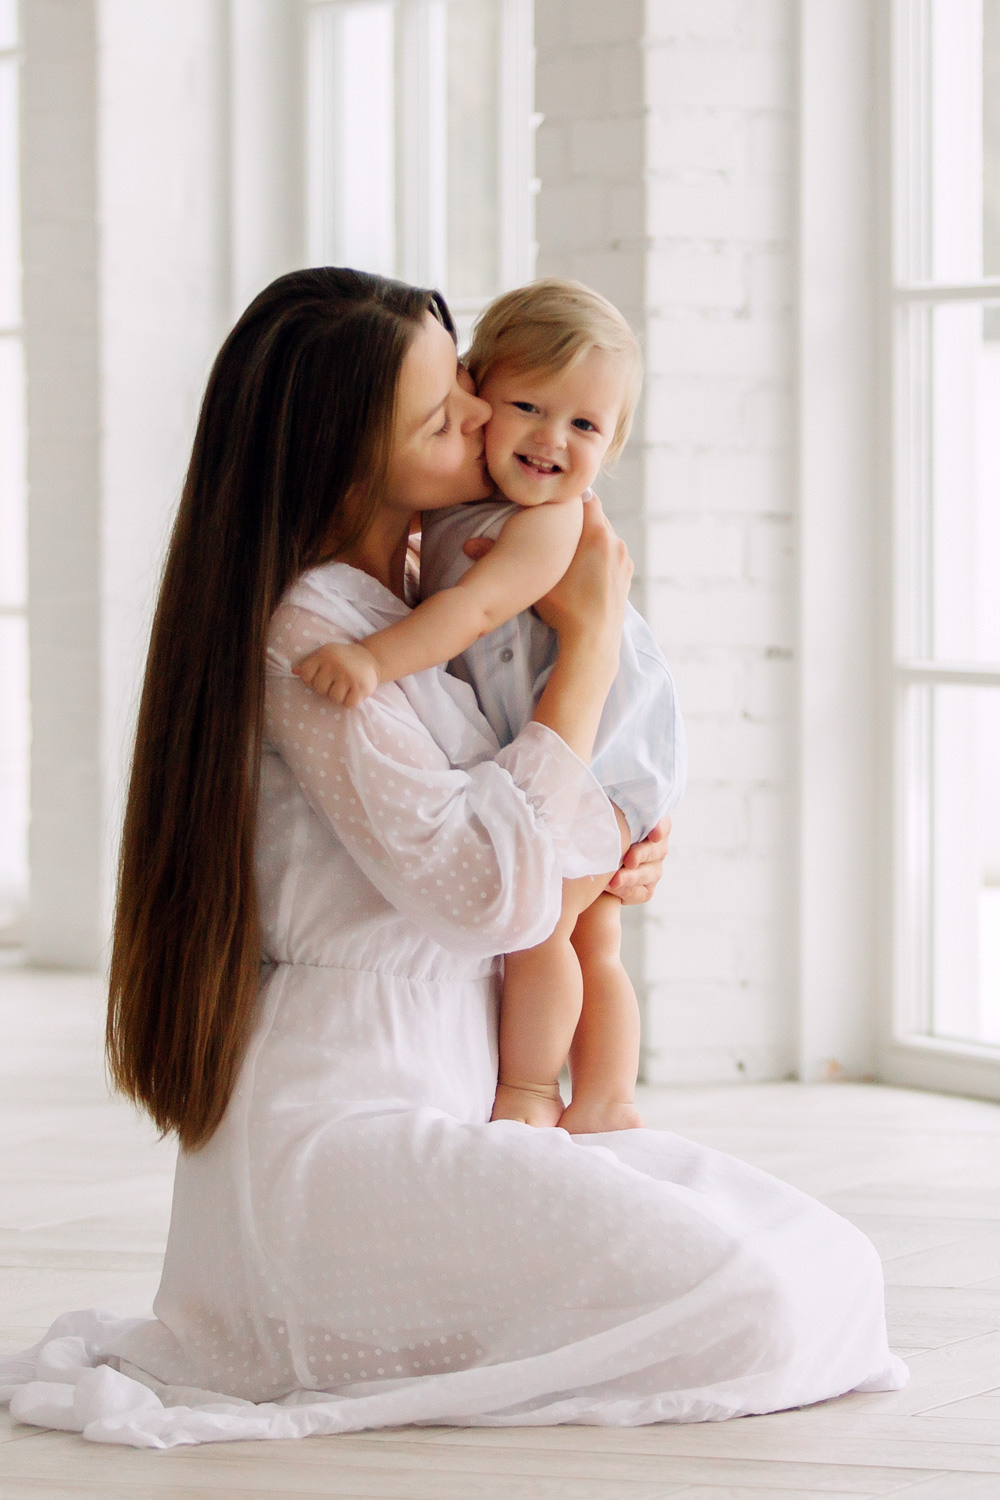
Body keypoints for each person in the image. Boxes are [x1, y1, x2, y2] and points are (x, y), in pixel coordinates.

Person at [0, 269, 905, 1448]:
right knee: (760, 1300)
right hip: (339, 1145)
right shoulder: (314, 637)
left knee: (824, 1261)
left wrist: (612, 834)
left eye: (468, 390)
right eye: (450, 414)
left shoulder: (419, 598)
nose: (489, 423)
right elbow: (487, 892)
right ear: (345, 458)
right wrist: (582, 656)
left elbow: (515, 831)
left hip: (459, 1103)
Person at [295, 279, 685, 1136]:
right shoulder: (360, 583)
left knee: (557, 927)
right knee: (582, 936)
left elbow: (468, 617)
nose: (547, 440)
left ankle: (544, 1094)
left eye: (586, 427)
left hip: (608, 753)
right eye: (506, 405)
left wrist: (372, 659)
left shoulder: (547, 522)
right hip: (579, 760)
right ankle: (602, 1100)